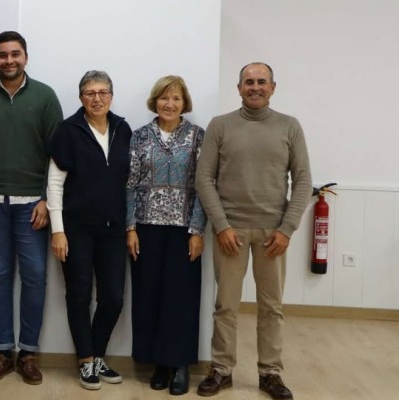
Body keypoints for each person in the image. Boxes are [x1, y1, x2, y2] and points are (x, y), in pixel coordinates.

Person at [195, 62, 312, 400]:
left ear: (273, 87)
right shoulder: (220, 126)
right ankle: (221, 369)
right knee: (226, 306)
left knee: (271, 307)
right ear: (239, 88)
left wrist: (287, 228)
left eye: (262, 82)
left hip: (273, 234)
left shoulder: (290, 126)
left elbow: (303, 180)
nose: (255, 87)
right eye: (249, 82)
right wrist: (221, 225)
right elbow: (204, 178)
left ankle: (270, 373)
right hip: (230, 232)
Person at [0, 31, 63, 385]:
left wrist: (47, 200)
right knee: (0, 276)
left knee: (35, 277)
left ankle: (28, 353)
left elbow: (57, 152)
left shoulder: (45, 96)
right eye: (2, 55)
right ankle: (3, 352)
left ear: (25, 57)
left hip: (32, 205)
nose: (9, 60)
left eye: (15, 54)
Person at [47, 70, 131, 390]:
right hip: (76, 229)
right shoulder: (68, 130)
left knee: (113, 298)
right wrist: (58, 231)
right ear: (81, 97)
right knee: (79, 295)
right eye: (90, 93)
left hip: (113, 229)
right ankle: (85, 361)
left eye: (102, 92)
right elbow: (55, 183)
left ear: (111, 96)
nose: (97, 98)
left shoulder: (123, 129)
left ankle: (96, 355)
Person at [126, 75, 207, 396]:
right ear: (155, 101)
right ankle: (158, 362)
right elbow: (129, 184)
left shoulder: (198, 137)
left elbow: (204, 186)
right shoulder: (139, 136)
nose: (169, 104)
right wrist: (130, 227)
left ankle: (180, 363)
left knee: (181, 299)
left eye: (175, 98)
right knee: (149, 296)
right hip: (146, 228)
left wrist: (197, 230)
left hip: (183, 231)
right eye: (164, 98)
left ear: (184, 103)